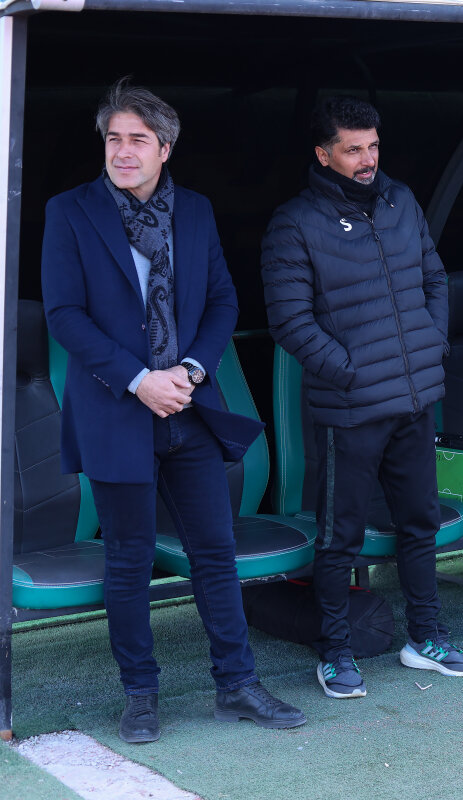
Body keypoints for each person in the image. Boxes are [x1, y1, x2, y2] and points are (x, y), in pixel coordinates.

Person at [41, 79, 306, 743]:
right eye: (113, 138)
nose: (122, 151)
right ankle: (141, 695)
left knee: (215, 552)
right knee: (128, 560)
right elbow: (64, 314)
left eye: (138, 139)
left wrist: (189, 371)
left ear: (165, 149)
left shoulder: (195, 210)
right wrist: (139, 381)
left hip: (190, 408)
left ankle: (237, 684)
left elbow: (222, 301)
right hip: (116, 411)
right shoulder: (69, 211)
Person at [261, 96, 463, 700]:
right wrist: (351, 372)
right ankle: (335, 651)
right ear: (322, 154)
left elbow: (434, 278)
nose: (367, 159)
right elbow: (289, 321)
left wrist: (431, 343)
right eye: (353, 149)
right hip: (352, 407)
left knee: (420, 522)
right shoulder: (294, 222)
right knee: (341, 536)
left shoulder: (400, 199)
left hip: (414, 397)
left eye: (374, 146)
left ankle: (425, 638)